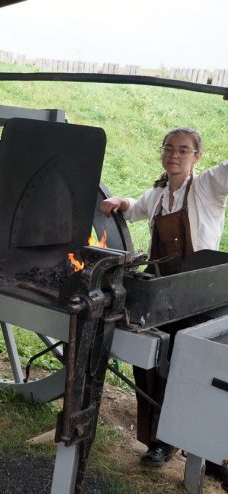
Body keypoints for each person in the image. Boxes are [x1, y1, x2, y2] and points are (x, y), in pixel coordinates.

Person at [100, 127, 228, 488]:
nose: (175, 155)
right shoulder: (158, 194)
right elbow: (135, 209)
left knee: (199, 371)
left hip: (199, 293)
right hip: (164, 294)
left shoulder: (207, 187)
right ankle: (160, 442)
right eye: (169, 149)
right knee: (152, 365)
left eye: (183, 150)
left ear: (196, 157)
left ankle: (210, 450)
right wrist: (120, 202)